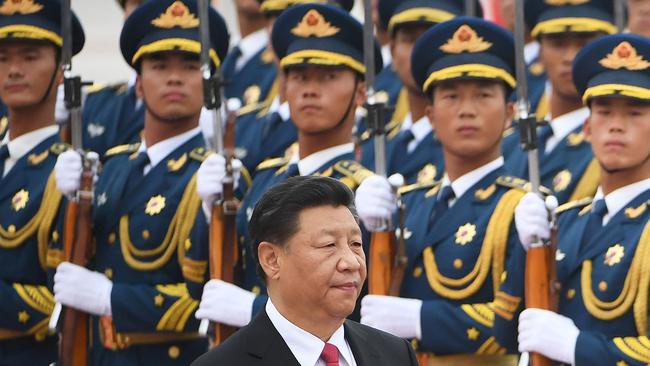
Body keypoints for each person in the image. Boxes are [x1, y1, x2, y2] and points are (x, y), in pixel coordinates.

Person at [50, 1, 229, 364]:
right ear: (138, 84)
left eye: (191, 67)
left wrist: (110, 298)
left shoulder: (217, 176)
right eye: (159, 66)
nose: (174, 78)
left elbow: (208, 297)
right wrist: (61, 202)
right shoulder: (113, 165)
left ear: (208, 85)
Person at [355, 16, 531, 364]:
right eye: (451, 96)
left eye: (483, 95)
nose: (467, 110)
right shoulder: (410, 202)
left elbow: (517, 323)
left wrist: (420, 319)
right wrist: (361, 227)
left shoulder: (520, 207)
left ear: (509, 113)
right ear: (431, 116)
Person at [194, 2, 378, 331]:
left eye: (329, 77)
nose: (310, 89)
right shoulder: (266, 176)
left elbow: (359, 308)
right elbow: (211, 277)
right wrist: (207, 214)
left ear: (361, 92)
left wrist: (254, 310)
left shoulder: (366, 193)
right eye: (299, 76)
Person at [494, 33, 650, 366]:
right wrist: (526, 249)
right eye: (604, 113)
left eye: (635, 114)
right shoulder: (564, 221)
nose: (616, 127)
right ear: (588, 128)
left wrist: (578, 347)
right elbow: (505, 334)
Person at [192, 175, 418, 366]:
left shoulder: (396, 355)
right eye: (329, 245)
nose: (352, 262)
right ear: (272, 259)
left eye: (356, 244)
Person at [0, 1, 84, 364]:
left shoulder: (65, 171)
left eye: (30, 57)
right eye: (2, 58)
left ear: (61, 71)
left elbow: (60, 301)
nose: (14, 70)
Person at [503, 0, 617, 205]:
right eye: (558, 44)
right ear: (539, 52)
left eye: (584, 44)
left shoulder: (613, 146)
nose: (570, 57)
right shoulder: (509, 143)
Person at [361, 0, 482, 183]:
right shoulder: (373, 144)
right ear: (393, 51)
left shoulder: (470, 146)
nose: (420, 52)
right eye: (410, 40)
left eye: (435, 39)